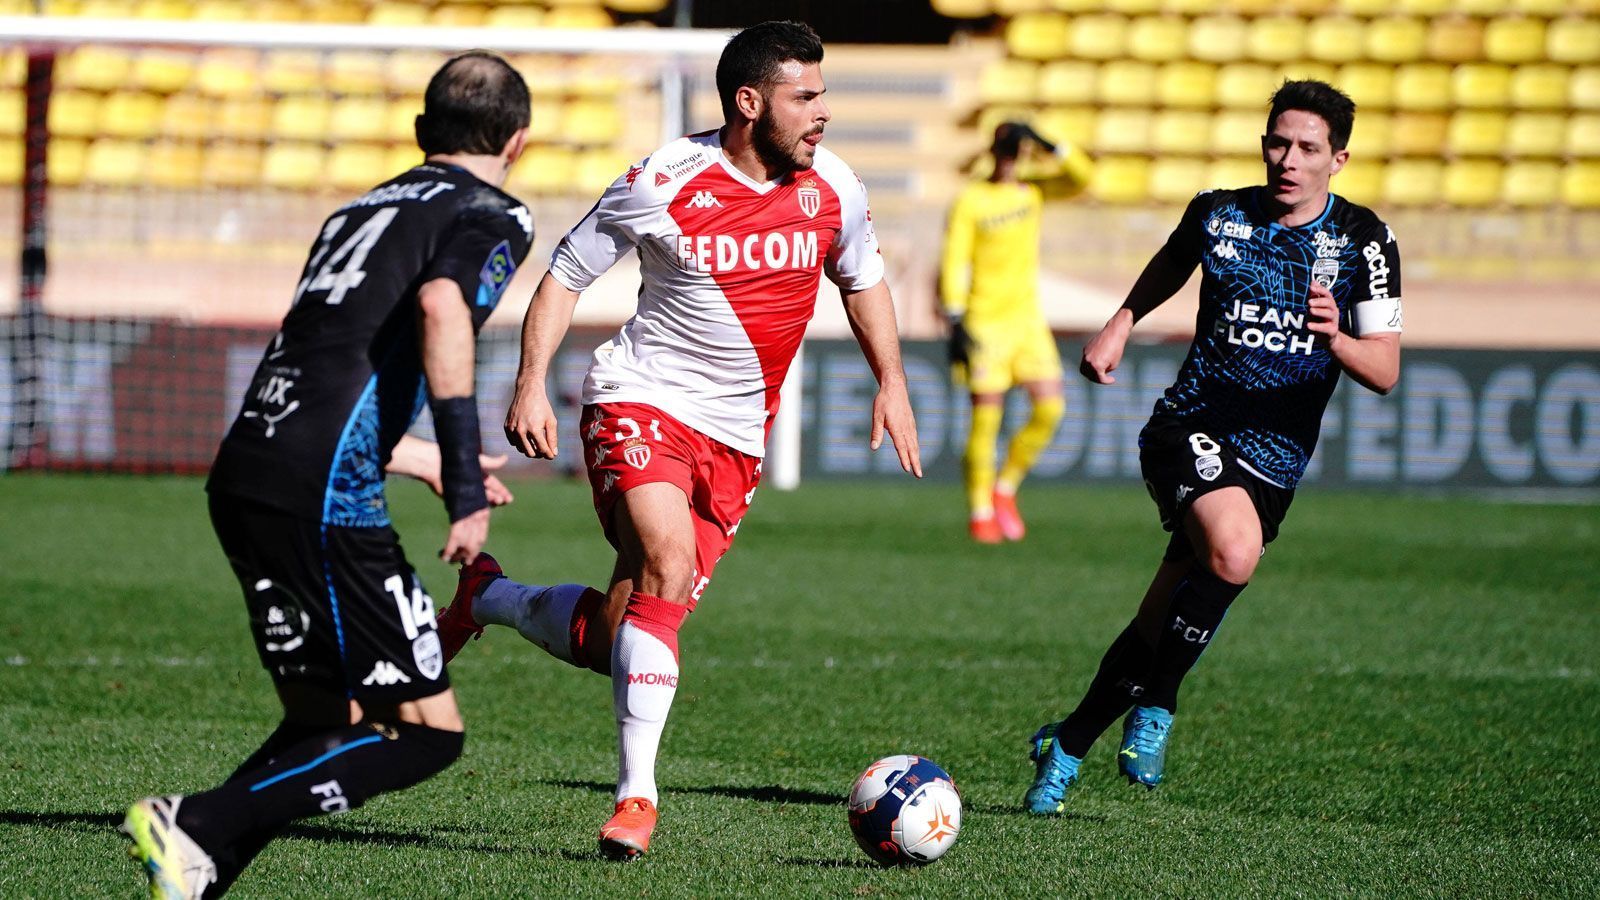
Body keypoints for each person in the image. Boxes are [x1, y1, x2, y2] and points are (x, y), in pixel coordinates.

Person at [433, 20, 922, 861]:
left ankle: (490, 598)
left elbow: (863, 278)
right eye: (805, 96)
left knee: (615, 638)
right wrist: (527, 381)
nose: (823, 113)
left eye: (823, 94)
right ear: (748, 101)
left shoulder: (834, 185)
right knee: (666, 559)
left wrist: (895, 382)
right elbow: (565, 274)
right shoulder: (665, 179)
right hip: (640, 401)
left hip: (736, 438)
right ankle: (636, 800)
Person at [120, 52, 533, 897]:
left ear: (422, 135)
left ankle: (196, 873)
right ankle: (193, 824)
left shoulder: (355, 211)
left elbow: (329, 364)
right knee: (424, 734)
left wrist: (407, 453)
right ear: (519, 143)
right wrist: (459, 474)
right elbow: (445, 308)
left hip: (246, 468)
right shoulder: (495, 211)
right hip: (323, 497)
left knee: (325, 721)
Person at [1024, 80, 1403, 814]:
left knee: (1156, 619)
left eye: (1307, 148)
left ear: (1340, 158)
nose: (1287, 159)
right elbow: (1172, 261)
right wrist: (1121, 321)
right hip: (1187, 427)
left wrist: (1334, 339)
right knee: (1234, 551)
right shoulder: (1219, 213)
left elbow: (1384, 370)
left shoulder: (1363, 240)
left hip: (1276, 458)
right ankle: (1160, 703)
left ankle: (1065, 745)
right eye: (1277, 141)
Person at [941, 121, 1091, 543]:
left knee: (1051, 409)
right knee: (986, 420)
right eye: (1010, 150)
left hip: (1027, 322)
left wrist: (1049, 141)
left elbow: (1082, 176)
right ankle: (979, 511)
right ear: (995, 151)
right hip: (985, 323)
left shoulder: (1035, 189)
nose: (1014, 158)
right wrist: (954, 319)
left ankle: (1004, 488)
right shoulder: (972, 199)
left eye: (1020, 150)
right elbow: (954, 260)